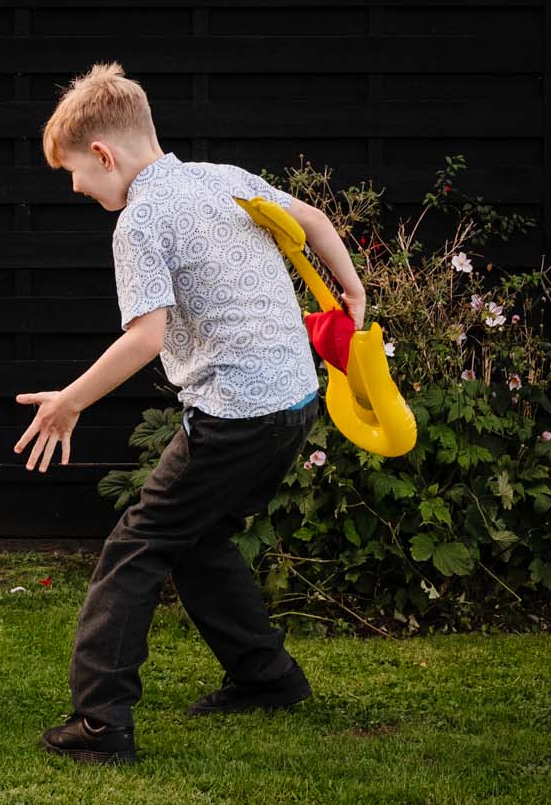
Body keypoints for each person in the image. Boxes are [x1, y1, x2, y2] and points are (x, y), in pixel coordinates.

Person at [20, 62, 366, 765]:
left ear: (105, 155)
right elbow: (317, 220)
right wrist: (353, 297)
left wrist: (70, 402)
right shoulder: (219, 176)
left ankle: (100, 722)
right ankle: (267, 677)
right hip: (293, 400)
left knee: (136, 548)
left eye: (75, 173)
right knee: (201, 540)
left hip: (236, 410)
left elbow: (144, 337)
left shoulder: (142, 218)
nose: (78, 188)